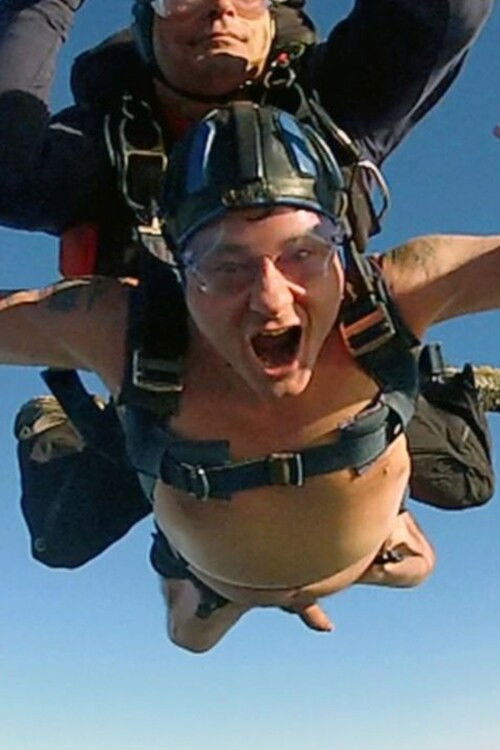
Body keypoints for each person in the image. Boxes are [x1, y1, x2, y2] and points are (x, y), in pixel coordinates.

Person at [0, 0, 496, 568]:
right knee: (63, 536)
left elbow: (445, 13)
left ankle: (445, 386)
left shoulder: (330, 106)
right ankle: (66, 426)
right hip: (166, 390)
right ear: (146, 22)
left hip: (333, 363)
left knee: (465, 479)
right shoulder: (97, 151)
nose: (219, 9)